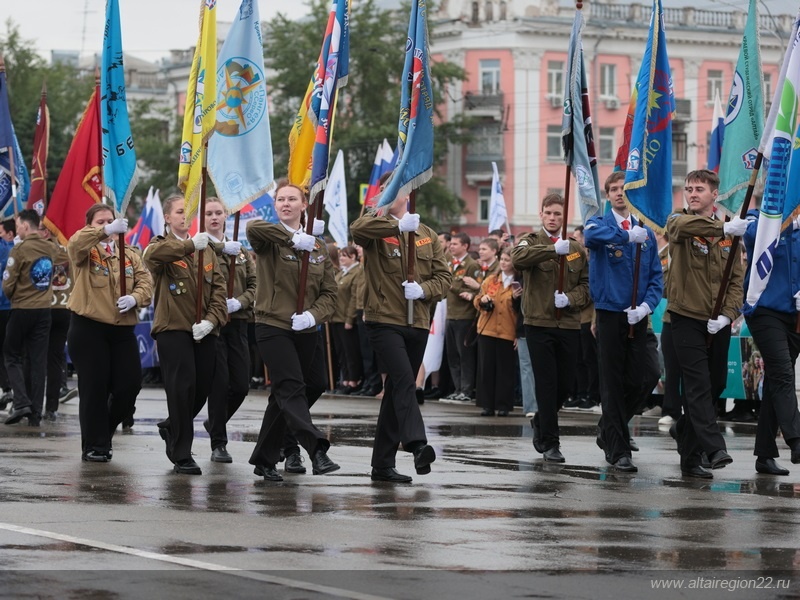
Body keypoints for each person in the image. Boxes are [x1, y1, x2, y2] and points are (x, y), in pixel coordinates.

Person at [351, 189, 451, 483]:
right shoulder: (375, 224)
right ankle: (417, 444)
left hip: (418, 319)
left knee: (396, 388)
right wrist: (396, 226)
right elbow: (358, 231)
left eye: (395, 190)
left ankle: (382, 464)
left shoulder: (426, 233)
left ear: (406, 193)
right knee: (406, 380)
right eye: (385, 191)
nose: (389, 195)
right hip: (384, 318)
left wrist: (424, 290)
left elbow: (444, 277)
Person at [246, 180, 340, 482]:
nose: (285, 204)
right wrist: (291, 238)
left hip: (304, 328)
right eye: (280, 200)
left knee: (310, 385)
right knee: (290, 386)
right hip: (272, 324)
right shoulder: (270, 238)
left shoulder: (318, 246)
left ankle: (263, 457)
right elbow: (254, 230)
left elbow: (330, 292)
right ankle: (316, 449)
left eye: (291, 199)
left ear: (304, 205)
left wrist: (313, 316)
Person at [666, 169, 746, 478]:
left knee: (715, 385)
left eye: (699, 188)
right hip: (685, 317)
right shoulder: (678, 222)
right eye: (688, 188)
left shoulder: (729, 236)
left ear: (715, 194)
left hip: (718, 321)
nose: (692, 193)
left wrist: (727, 314)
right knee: (697, 385)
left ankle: (687, 449)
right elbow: (681, 227)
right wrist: (723, 229)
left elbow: (736, 281)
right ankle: (712, 449)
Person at [143, 194, 228, 475]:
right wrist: (191, 244)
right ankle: (182, 453)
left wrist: (212, 320)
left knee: (201, 388)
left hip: (203, 330)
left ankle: (171, 426)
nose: (184, 216)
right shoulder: (161, 245)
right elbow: (152, 258)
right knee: (182, 389)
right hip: (173, 329)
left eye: (188, 212)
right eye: (179, 212)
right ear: (167, 217)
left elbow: (218, 291)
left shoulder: (208, 251)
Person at [584, 171, 663, 472]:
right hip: (610, 313)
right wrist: (626, 235)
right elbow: (591, 237)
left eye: (623, 189)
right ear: (607, 195)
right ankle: (618, 450)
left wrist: (646, 306)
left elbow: (656, 277)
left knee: (646, 374)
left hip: (638, 315)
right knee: (613, 384)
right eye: (614, 190)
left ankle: (609, 425)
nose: (619, 194)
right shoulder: (600, 223)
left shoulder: (646, 230)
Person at [66, 204, 152, 461]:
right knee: (94, 388)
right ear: (90, 224)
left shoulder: (130, 253)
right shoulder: (86, 250)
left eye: (111, 220)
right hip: (89, 327)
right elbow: (74, 244)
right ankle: (95, 445)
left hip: (122, 329)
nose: (108, 224)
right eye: (100, 221)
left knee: (129, 385)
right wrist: (103, 231)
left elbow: (146, 283)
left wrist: (136, 298)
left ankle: (103, 431)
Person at [511, 193, 590, 462]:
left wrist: (571, 298)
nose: (553, 218)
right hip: (538, 323)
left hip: (568, 322)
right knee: (547, 382)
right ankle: (551, 442)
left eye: (558, 214)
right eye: (549, 213)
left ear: (564, 216)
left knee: (565, 384)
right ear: (541, 214)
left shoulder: (576, 249)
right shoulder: (531, 241)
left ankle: (541, 422)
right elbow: (518, 258)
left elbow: (587, 285)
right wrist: (550, 250)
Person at [741, 212, 800, 475]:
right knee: (783, 372)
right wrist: (778, 220)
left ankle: (764, 455)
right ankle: (796, 440)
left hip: (796, 316)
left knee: (777, 380)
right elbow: (752, 236)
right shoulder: (762, 217)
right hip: (765, 310)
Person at [202, 198, 256, 464]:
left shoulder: (241, 251)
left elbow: (255, 284)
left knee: (241, 385)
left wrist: (241, 301)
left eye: (218, 213)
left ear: (226, 216)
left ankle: (214, 421)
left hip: (239, 322)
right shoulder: (200, 248)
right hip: (214, 324)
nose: (214, 217)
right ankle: (219, 443)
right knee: (219, 384)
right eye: (209, 213)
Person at [3, 209, 57, 426]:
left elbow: (8, 285)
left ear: (25, 226)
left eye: (17, 225)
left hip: (22, 309)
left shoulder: (20, 250)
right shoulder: (50, 247)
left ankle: (21, 402)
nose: (16, 229)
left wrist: (14, 294)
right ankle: (35, 412)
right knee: (38, 360)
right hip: (45, 310)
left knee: (11, 355)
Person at [473, 248, 520, 416]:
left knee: (505, 371)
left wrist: (519, 334)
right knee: (486, 369)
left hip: (508, 330)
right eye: (502, 259)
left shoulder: (518, 283)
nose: (503, 263)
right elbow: (477, 300)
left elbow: (522, 311)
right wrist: (483, 300)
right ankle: (487, 404)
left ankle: (503, 405)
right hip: (488, 329)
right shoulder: (491, 280)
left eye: (507, 260)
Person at [38, 221, 75, 420]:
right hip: (65, 307)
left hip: (44, 307)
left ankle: (31, 403)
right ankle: (51, 406)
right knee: (54, 358)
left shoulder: (41, 248)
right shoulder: (70, 248)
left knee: (34, 357)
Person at [443, 232, 480, 403]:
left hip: (464, 315)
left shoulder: (472, 265)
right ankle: (457, 388)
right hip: (450, 314)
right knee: (452, 355)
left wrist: (456, 289)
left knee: (464, 355)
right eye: (451, 244)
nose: (451, 247)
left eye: (455, 244)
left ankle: (466, 390)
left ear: (465, 246)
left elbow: (477, 289)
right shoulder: (449, 262)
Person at [331, 245, 363, 394]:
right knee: (341, 352)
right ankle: (345, 379)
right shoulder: (341, 274)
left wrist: (350, 318)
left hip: (346, 319)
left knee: (351, 352)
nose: (341, 259)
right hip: (336, 318)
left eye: (344, 256)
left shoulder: (356, 272)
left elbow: (353, 298)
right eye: (340, 256)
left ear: (353, 257)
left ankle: (353, 380)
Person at [0, 219, 15, 411]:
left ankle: (9, 389)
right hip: (13, 306)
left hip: (5, 305)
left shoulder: (8, 249)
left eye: (2, 232)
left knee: (6, 352)